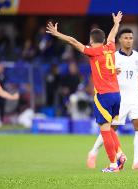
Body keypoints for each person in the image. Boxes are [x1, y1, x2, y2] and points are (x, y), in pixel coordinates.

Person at [46, 11, 124, 173]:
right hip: (117, 94)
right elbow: (112, 36)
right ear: (102, 40)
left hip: (103, 95)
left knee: (105, 130)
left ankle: (113, 165)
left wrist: (57, 33)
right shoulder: (110, 47)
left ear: (91, 40)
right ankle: (120, 155)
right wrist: (116, 23)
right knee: (110, 129)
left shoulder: (92, 52)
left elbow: (73, 41)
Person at [87, 28, 138, 171]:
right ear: (119, 40)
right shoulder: (112, 55)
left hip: (134, 96)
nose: (129, 40)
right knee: (111, 128)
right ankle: (93, 151)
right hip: (117, 96)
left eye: (131, 38)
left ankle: (137, 162)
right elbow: (102, 73)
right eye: (126, 38)